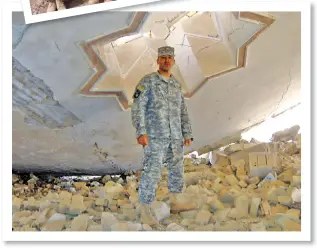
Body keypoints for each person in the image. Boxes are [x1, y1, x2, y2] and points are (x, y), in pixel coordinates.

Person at [131, 46, 193, 225]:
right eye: (163, 57)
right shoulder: (148, 82)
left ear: (173, 61)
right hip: (155, 136)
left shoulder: (175, 85)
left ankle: (175, 201)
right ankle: (145, 208)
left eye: (170, 58)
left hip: (175, 136)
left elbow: (182, 110)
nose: (167, 60)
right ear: (158, 60)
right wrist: (140, 131)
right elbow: (138, 107)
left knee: (176, 168)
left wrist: (186, 132)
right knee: (152, 170)